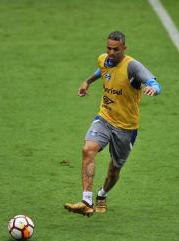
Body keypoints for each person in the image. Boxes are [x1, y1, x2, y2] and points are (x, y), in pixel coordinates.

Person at [64, 31, 161, 217]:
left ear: (124, 48)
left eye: (115, 49)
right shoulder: (104, 59)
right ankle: (86, 201)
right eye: (108, 48)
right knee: (88, 149)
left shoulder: (133, 67)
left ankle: (102, 194)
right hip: (104, 118)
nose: (111, 52)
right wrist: (87, 82)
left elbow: (154, 83)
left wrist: (152, 89)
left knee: (113, 171)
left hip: (125, 128)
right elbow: (102, 70)